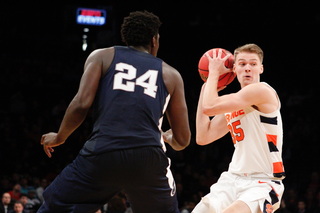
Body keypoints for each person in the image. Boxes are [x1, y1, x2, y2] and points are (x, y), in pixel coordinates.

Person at [37, 10, 190, 213]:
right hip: (147, 156)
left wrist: (60, 136)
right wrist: (169, 137)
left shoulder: (102, 56)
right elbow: (183, 139)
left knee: (55, 206)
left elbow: (82, 103)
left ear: (126, 37)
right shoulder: (171, 74)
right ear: (154, 40)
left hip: (104, 150)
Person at [193, 43, 285, 213]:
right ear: (234, 69)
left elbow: (210, 106)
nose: (248, 68)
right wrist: (206, 86)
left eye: (253, 64)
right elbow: (203, 136)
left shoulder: (262, 91)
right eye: (242, 64)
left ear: (261, 69)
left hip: (262, 182)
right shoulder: (232, 102)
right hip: (232, 179)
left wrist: (213, 73)